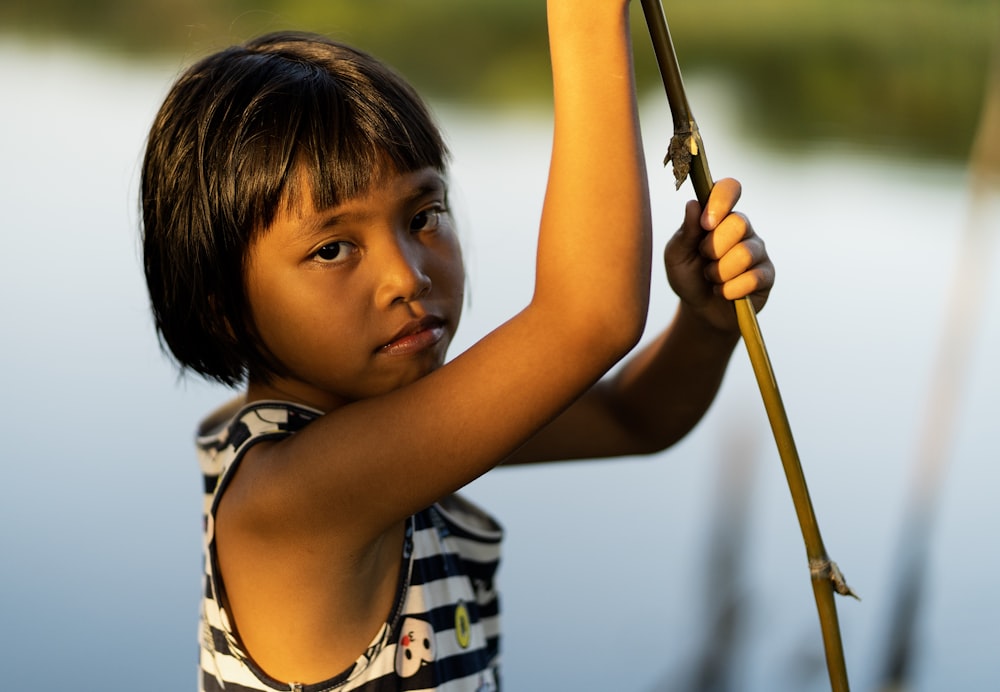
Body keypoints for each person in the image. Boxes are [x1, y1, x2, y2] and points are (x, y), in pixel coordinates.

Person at [141, 2, 774, 691]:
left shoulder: (382, 423)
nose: (406, 275)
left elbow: (635, 418)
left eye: (423, 216)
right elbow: (589, 320)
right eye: (332, 248)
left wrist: (705, 325)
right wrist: (586, 19)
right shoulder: (289, 496)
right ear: (223, 309)